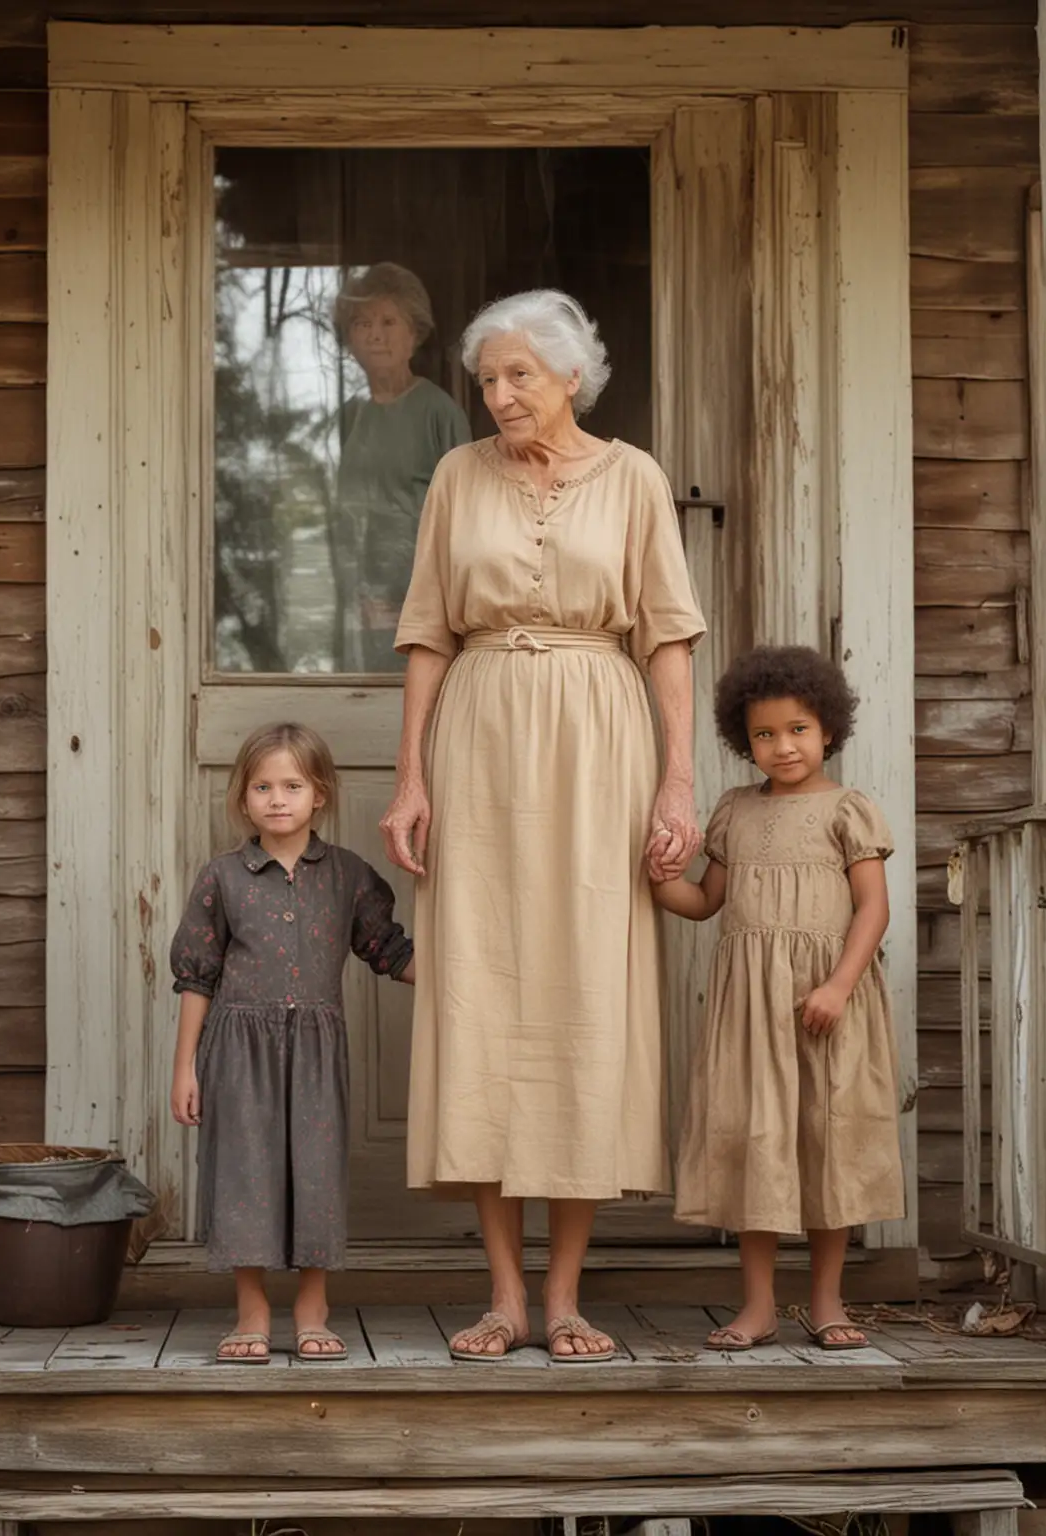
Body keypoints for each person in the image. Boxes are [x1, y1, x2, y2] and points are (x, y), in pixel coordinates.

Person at [380, 289, 706, 1365]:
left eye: (521, 375)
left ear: (572, 377)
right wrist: (409, 778)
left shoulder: (635, 478)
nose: (501, 395)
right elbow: (428, 631)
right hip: (476, 739)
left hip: (596, 741)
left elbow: (665, 637)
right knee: (478, 1001)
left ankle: (566, 1295)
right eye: (488, 379)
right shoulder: (456, 476)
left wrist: (675, 782)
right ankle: (504, 1294)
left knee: (580, 1001)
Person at [653, 645, 904, 1352]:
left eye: (797, 729)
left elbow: (873, 910)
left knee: (830, 1139)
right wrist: (647, 873)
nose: (782, 746)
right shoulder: (734, 810)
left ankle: (826, 1302)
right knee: (755, 1141)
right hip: (750, 1009)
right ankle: (759, 1305)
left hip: (828, 1004)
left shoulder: (848, 810)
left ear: (828, 729)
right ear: (744, 740)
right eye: (764, 734)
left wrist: (838, 985)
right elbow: (704, 901)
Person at [169, 722, 415, 1363]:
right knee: (242, 1175)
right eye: (262, 787)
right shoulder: (222, 877)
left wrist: (463, 974)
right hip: (237, 1049)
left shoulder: (347, 876)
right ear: (244, 798)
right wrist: (185, 1068)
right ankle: (250, 1309)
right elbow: (196, 975)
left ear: (320, 794)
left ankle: (313, 1306)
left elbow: (387, 950)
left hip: (314, 1051)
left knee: (316, 1172)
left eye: (292, 785)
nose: (277, 799)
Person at [334, 263, 470, 669]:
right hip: (358, 603)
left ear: (414, 333)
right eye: (361, 323)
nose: (374, 334)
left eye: (388, 321)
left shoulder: (439, 412)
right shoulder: (348, 415)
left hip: (421, 607)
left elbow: (466, 517)